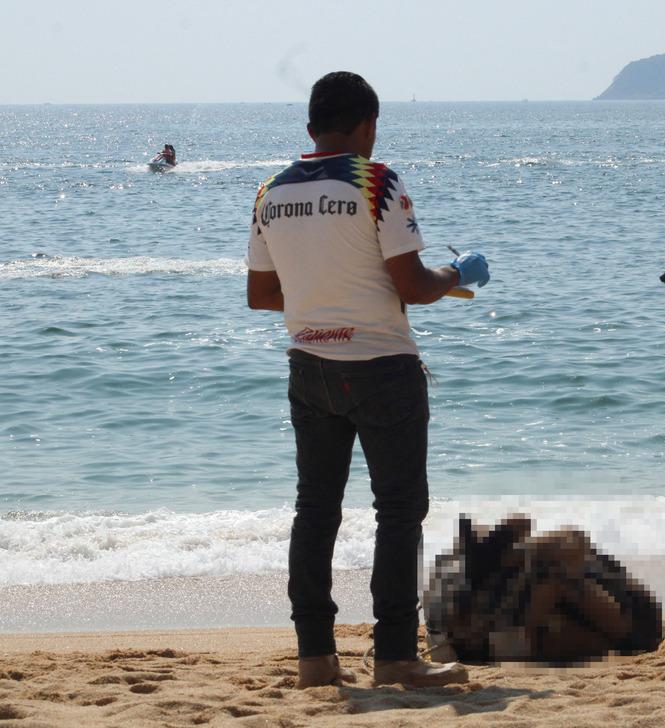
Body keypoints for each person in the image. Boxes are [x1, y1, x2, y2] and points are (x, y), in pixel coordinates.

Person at [245, 71, 490, 689]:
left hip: (309, 366)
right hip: (382, 366)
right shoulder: (375, 180)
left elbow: (261, 295)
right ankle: (395, 656)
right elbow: (413, 286)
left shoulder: (270, 191)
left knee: (316, 510)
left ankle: (315, 657)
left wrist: (323, 300)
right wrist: (456, 270)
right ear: (368, 126)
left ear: (310, 127)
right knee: (399, 511)